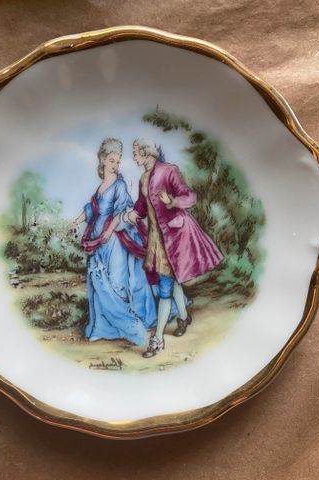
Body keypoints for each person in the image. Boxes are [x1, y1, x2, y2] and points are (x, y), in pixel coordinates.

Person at [127, 138, 223, 358]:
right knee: (171, 280)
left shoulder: (169, 170)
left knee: (165, 287)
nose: (134, 156)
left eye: (136, 152)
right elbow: (142, 206)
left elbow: (190, 197)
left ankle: (157, 340)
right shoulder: (143, 178)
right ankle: (184, 318)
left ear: (146, 153)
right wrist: (133, 214)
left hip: (175, 236)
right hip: (157, 239)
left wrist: (172, 201)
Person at [71, 138, 157, 346]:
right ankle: (103, 328)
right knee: (99, 283)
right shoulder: (100, 187)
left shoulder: (119, 185)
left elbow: (122, 212)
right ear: (102, 160)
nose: (115, 165)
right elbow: (91, 210)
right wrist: (76, 221)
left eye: (118, 161)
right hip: (96, 241)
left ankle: (130, 328)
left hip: (113, 241)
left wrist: (109, 231)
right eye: (111, 160)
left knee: (117, 283)